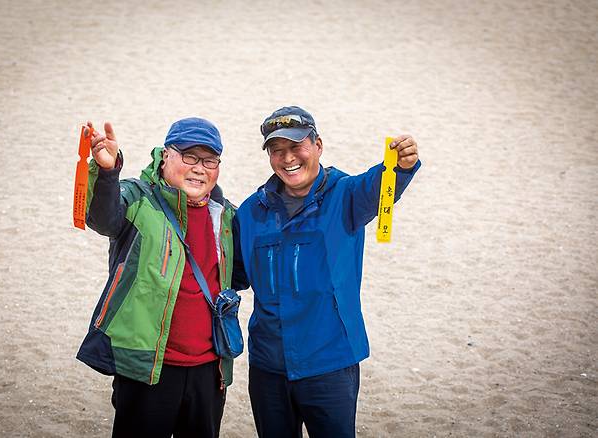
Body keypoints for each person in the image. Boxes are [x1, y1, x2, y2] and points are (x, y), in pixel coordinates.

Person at [231, 106, 421, 438]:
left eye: (296, 147)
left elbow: (379, 184)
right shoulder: (251, 212)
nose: (287, 158)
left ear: (318, 145)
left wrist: (402, 165)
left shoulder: (347, 195)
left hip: (329, 365)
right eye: (277, 150)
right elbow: (234, 275)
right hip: (268, 367)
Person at [76, 117, 236, 438]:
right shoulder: (138, 198)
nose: (199, 168)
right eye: (189, 156)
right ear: (165, 156)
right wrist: (108, 172)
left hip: (210, 370)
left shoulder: (226, 214)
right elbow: (103, 218)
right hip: (148, 367)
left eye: (209, 160)